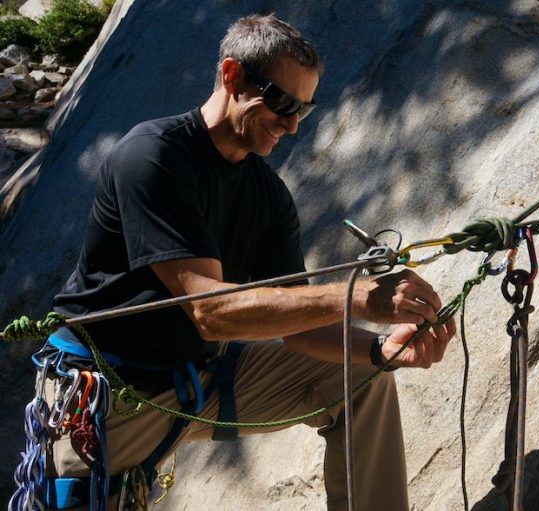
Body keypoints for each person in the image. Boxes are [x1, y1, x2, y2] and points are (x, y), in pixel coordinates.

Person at [41, 13, 455, 511]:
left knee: (359, 379)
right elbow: (212, 313)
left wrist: (380, 348)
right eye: (280, 102)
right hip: (108, 398)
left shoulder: (268, 195)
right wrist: (358, 295)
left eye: (304, 108)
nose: (292, 124)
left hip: (196, 384)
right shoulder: (153, 158)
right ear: (232, 75)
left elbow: (300, 330)